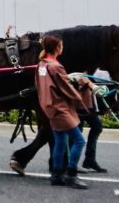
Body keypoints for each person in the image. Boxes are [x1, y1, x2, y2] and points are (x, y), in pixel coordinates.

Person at [35, 36, 87, 189]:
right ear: (57, 48)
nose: (62, 47)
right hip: (60, 108)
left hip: (49, 107)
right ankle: (71, 174)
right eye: (61, 45)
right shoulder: (56, 66)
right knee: (79, 141)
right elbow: (67, 88)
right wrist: (80, 90)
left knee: (60, 141)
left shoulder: (42, 64)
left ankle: (56, 175)